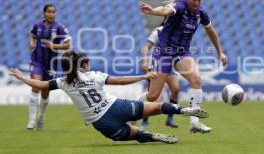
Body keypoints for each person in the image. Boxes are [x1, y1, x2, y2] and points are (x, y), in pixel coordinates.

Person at [9, 51, 208, 144]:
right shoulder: (93, 75)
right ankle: (182, 110)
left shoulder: (63, 82)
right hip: (116, 106)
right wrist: (144, 76)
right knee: (156, 107)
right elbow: (121, 81)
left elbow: (39, 84)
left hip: (101, 124)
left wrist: (21, 77)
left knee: (135, 134)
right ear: (82, 65)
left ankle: (154, 137)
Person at [139, 0, 228, 133]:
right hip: (164, 53)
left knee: (196, 79)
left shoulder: (201, 13)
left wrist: (220, 51)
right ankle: (131, 107)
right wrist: (153, 11)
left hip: (182, 53)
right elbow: (166, 9)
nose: (197, 3)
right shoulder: (179, 6)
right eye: (194, 0)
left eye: (199, 0)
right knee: (153, 96)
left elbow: (211, 31)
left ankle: (194, 122)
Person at [28, 4, 71, 130]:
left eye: (53, 12)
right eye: (49, 12)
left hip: (51, 64)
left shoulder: (60, 28)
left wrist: (53, 45)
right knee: (36, 85)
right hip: (37, 61)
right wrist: (31, 43)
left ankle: (40, 118)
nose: (51, 14)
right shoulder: (37, 26)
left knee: (45, 92)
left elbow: (67, 45)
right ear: (44, 13)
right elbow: (33, 36)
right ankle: (31, 121)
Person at [141, 22, 180, 129]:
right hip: (157, 65)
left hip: (170, 65)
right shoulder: (159, 31)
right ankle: (144, 121)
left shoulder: (178, 32)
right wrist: (145, 62)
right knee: (152, 96)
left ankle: (170, 119)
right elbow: (146, 48)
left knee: (175, 89)